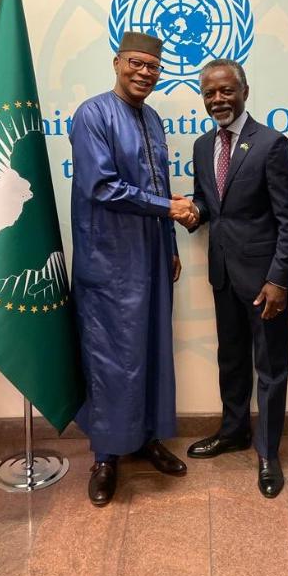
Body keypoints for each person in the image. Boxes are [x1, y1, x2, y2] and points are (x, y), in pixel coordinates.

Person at [69, 31, 197, 506]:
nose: (145, 72)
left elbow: (159, 185)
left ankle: (145, 438)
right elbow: (102, 187)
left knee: (151, 348)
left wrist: (170, 244)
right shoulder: (92, 114)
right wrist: (168, 210)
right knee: (109, 356)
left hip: (152, 255)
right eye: (136, 63)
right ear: (117, 62)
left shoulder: (154, 119)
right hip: (108, 259)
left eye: (153, 66)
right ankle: (105, 457)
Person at [180, 58, 288, 498]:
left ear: (244, 92)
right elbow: (209, 204)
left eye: (226, 90)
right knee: (230, 360)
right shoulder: (201, 146)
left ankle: (268, 452)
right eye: (210, 93)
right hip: (223, 276)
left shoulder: (271, 144)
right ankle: (233, 431)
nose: (218, 99)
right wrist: (192, 212)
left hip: (264, 282)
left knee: (270, 367)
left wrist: (280, 280)